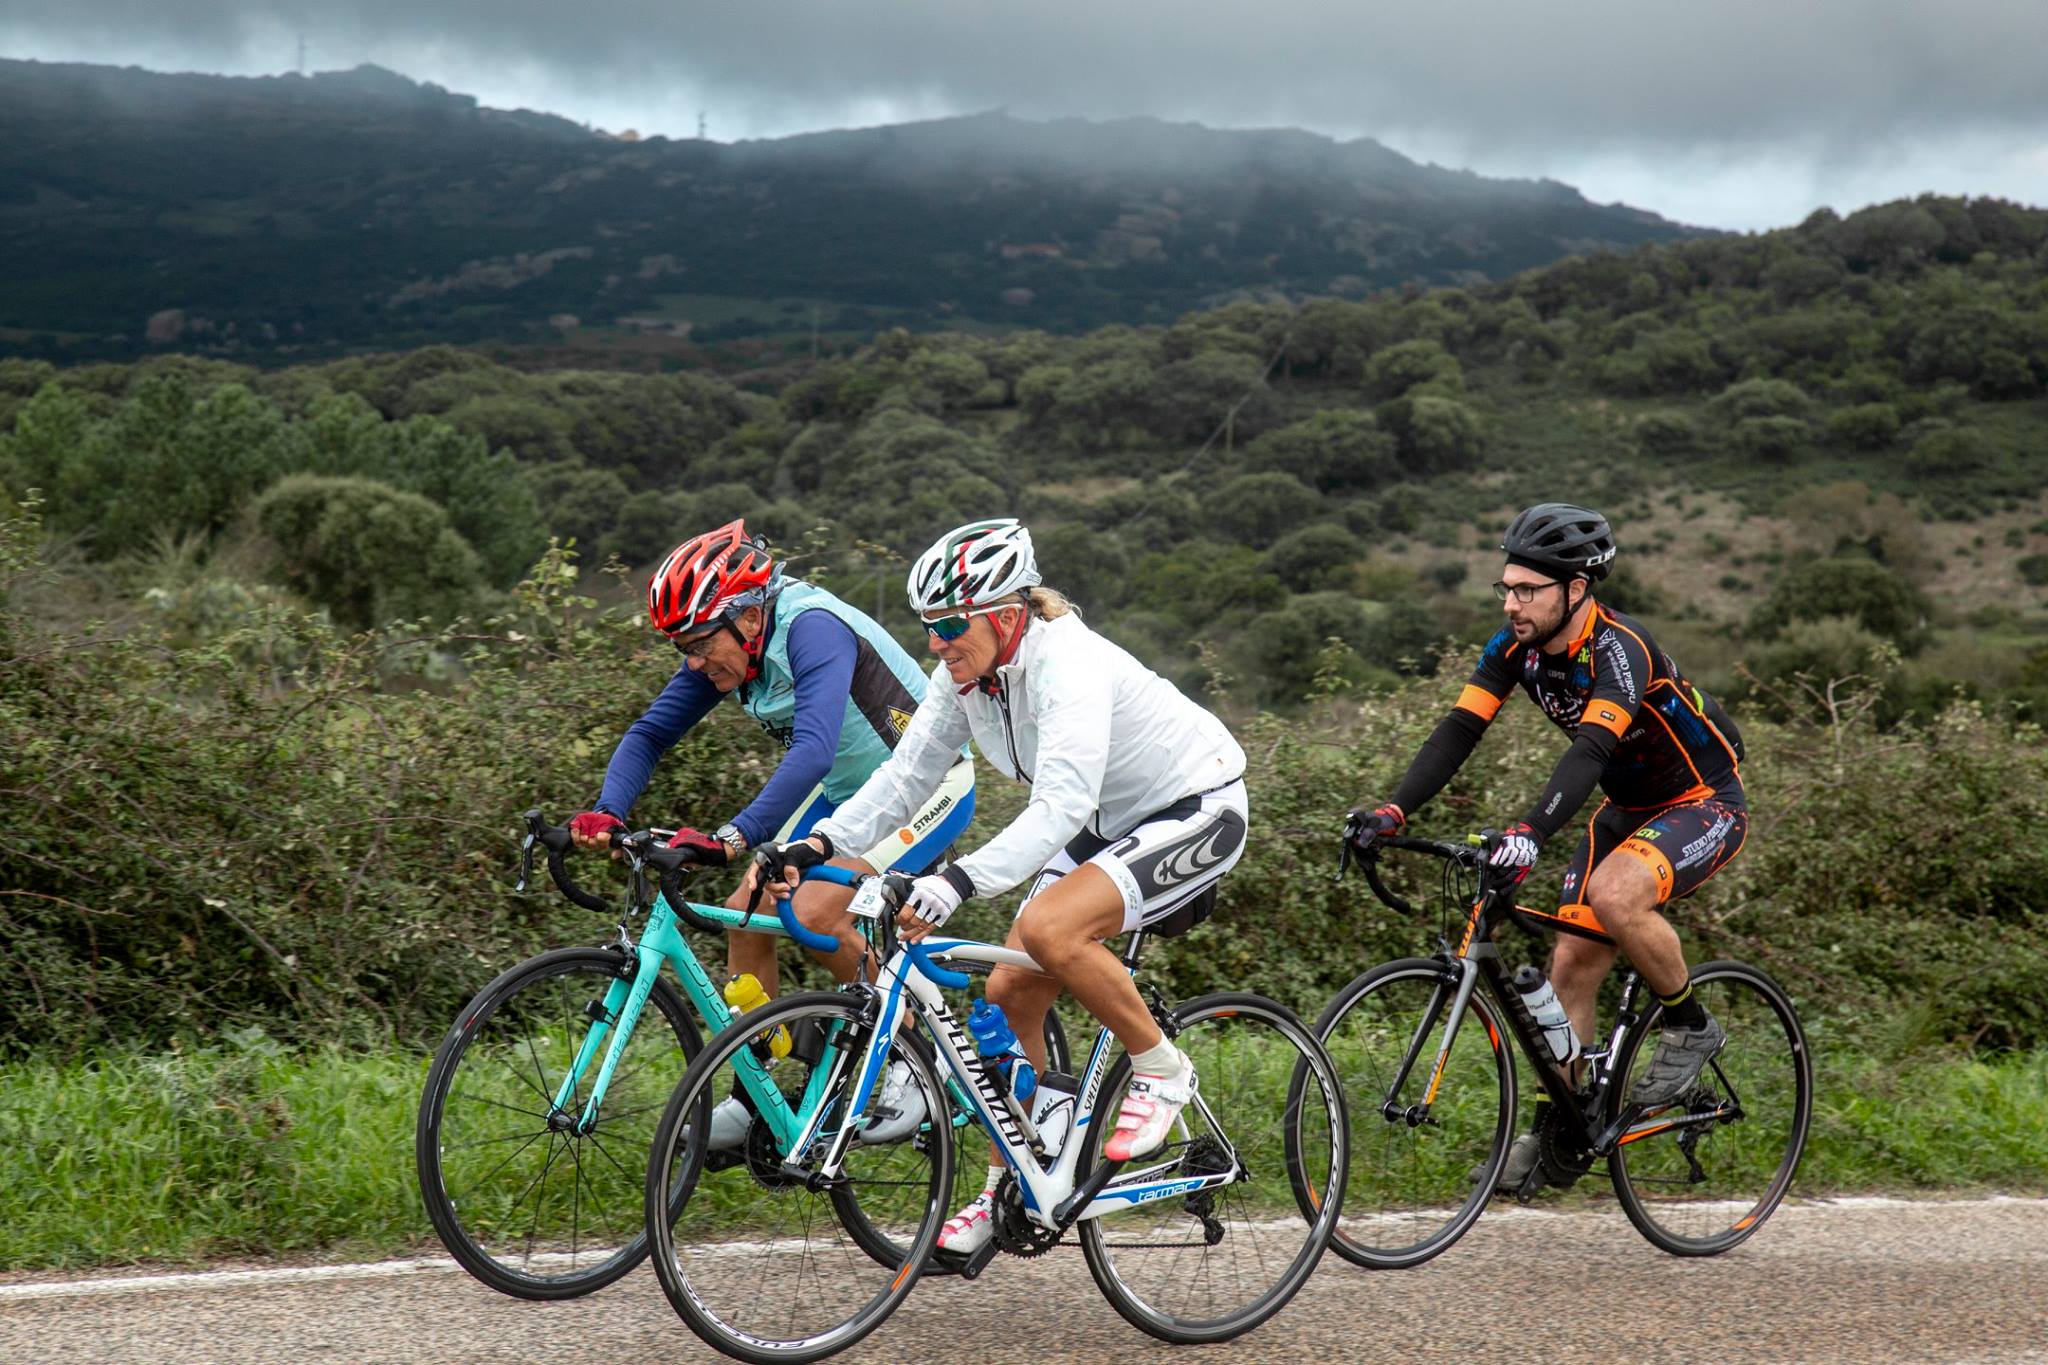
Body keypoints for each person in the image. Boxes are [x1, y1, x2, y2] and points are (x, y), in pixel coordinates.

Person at [767, 518, 1248, 1255]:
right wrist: (824, 840)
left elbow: (1056, 806)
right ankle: (1008, 1189)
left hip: (1195, 804)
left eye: (950, 624)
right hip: (1104, 820)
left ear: (1003, 612)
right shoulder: (964, 677)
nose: (936, 642)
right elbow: (905, 778)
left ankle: (1160, 1067)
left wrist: (957, 879)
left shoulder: (1069, 665)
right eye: (928, 626)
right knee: (1008, 990)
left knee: (1055, 932)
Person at [1349, 503, 1747, 1192]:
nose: (1511, 602)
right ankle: (1559, 1129)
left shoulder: (1621, 650)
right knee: (1569, 963)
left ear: (1577, 589)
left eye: (1527, 590)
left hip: (1702, 800)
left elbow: (1592, 749)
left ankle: (1691, 1025)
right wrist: (1393, 808)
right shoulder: (1514, 649)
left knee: (1615, 895)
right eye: (1506, 587)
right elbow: (1458, 731)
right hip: (1626, 810)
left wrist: (1530, 832)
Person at [568, 518, 975, 1146]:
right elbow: (649, 733)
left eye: (700, 641)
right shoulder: (733, 648)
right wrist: (607, 811)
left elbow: (811, 749)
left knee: (814, 912)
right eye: (683, 647)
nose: (694, 660)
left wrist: (733, 836)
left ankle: (907, 1066)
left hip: (927, 787)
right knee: (745, 912)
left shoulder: (811, 628)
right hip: (847, 796)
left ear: (750, 619)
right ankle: (755, 1093)